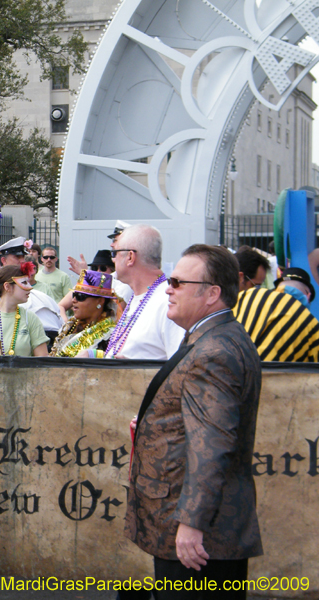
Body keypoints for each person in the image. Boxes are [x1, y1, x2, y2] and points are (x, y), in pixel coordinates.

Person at [125, 244, 263, 598]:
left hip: (197, 536)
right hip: (200, 526)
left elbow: (212, 446)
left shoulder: (214, 351)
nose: (168, 288)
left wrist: (191, 523)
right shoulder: (212, 338)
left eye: (177, 282)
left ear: (212, 294)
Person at [104, 224, 184, 359]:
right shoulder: (139, 296)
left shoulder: (168, 303)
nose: (113, 259)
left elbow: (180, 368)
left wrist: (136, 373)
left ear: (130, 257)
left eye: (115, 253)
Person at [234, 267, 319, 361]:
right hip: (279, 374)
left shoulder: (248, 296)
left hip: (232, 368)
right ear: (308, 296)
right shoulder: (310, 323)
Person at [0, 265, 48, 356]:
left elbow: (42, 361)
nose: (30, 287)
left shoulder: (30, 317)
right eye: (24, 282)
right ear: (7, 286)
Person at [50, 270, 117, 357]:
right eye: (74, 295)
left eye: (80, 296)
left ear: (100, 301)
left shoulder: (111, 336)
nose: (73, 300)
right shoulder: (69, 326)